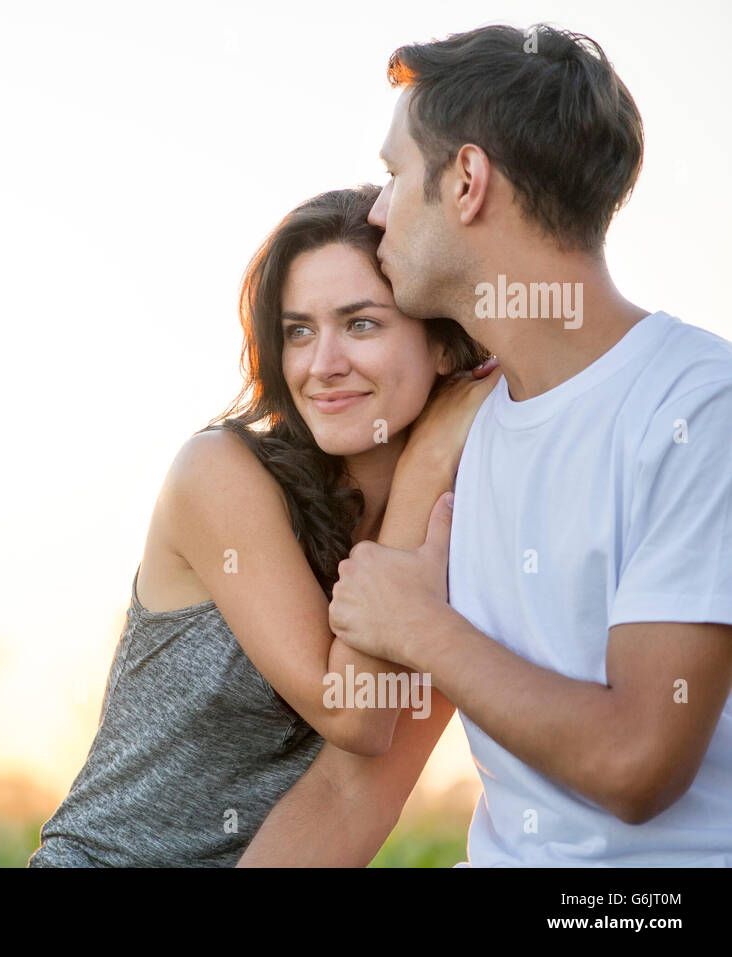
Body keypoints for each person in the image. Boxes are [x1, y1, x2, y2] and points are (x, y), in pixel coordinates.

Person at [241, 23, 732, 867]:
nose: (375, 210)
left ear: (467, 181)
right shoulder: (454, 438)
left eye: (396, 174)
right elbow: (352, 784)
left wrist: (423, 630)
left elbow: (638, 764)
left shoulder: (697, 407)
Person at [28, 184, 495, 866]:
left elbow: (352, 795)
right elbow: (354, 711)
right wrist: (425, 465)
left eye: (360, 323)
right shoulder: (217, 474)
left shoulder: (462, 536)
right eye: (297, 330)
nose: (322, 363)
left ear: (445, 346)